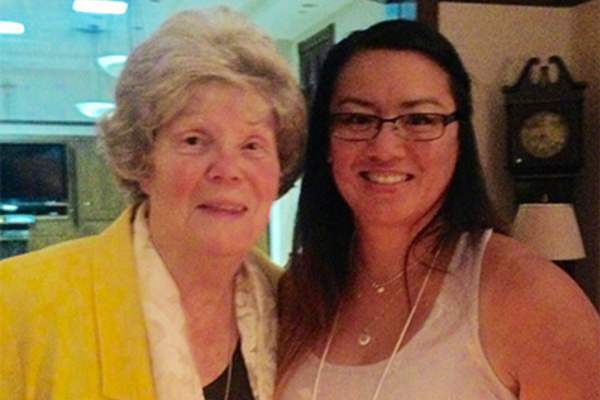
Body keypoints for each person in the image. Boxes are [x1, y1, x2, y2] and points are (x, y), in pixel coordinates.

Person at [276, 18, 600, 400]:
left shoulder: (526, 293)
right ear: (327, 142)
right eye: (358, 119)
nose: (385, 148)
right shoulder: (302, 289)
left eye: (420, 120)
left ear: (459, 138)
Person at [0, 7, 305, 400]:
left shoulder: (299, 312)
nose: (228, 170)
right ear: (142, 160)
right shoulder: (18, 305)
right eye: (194, 140)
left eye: (252, 145)